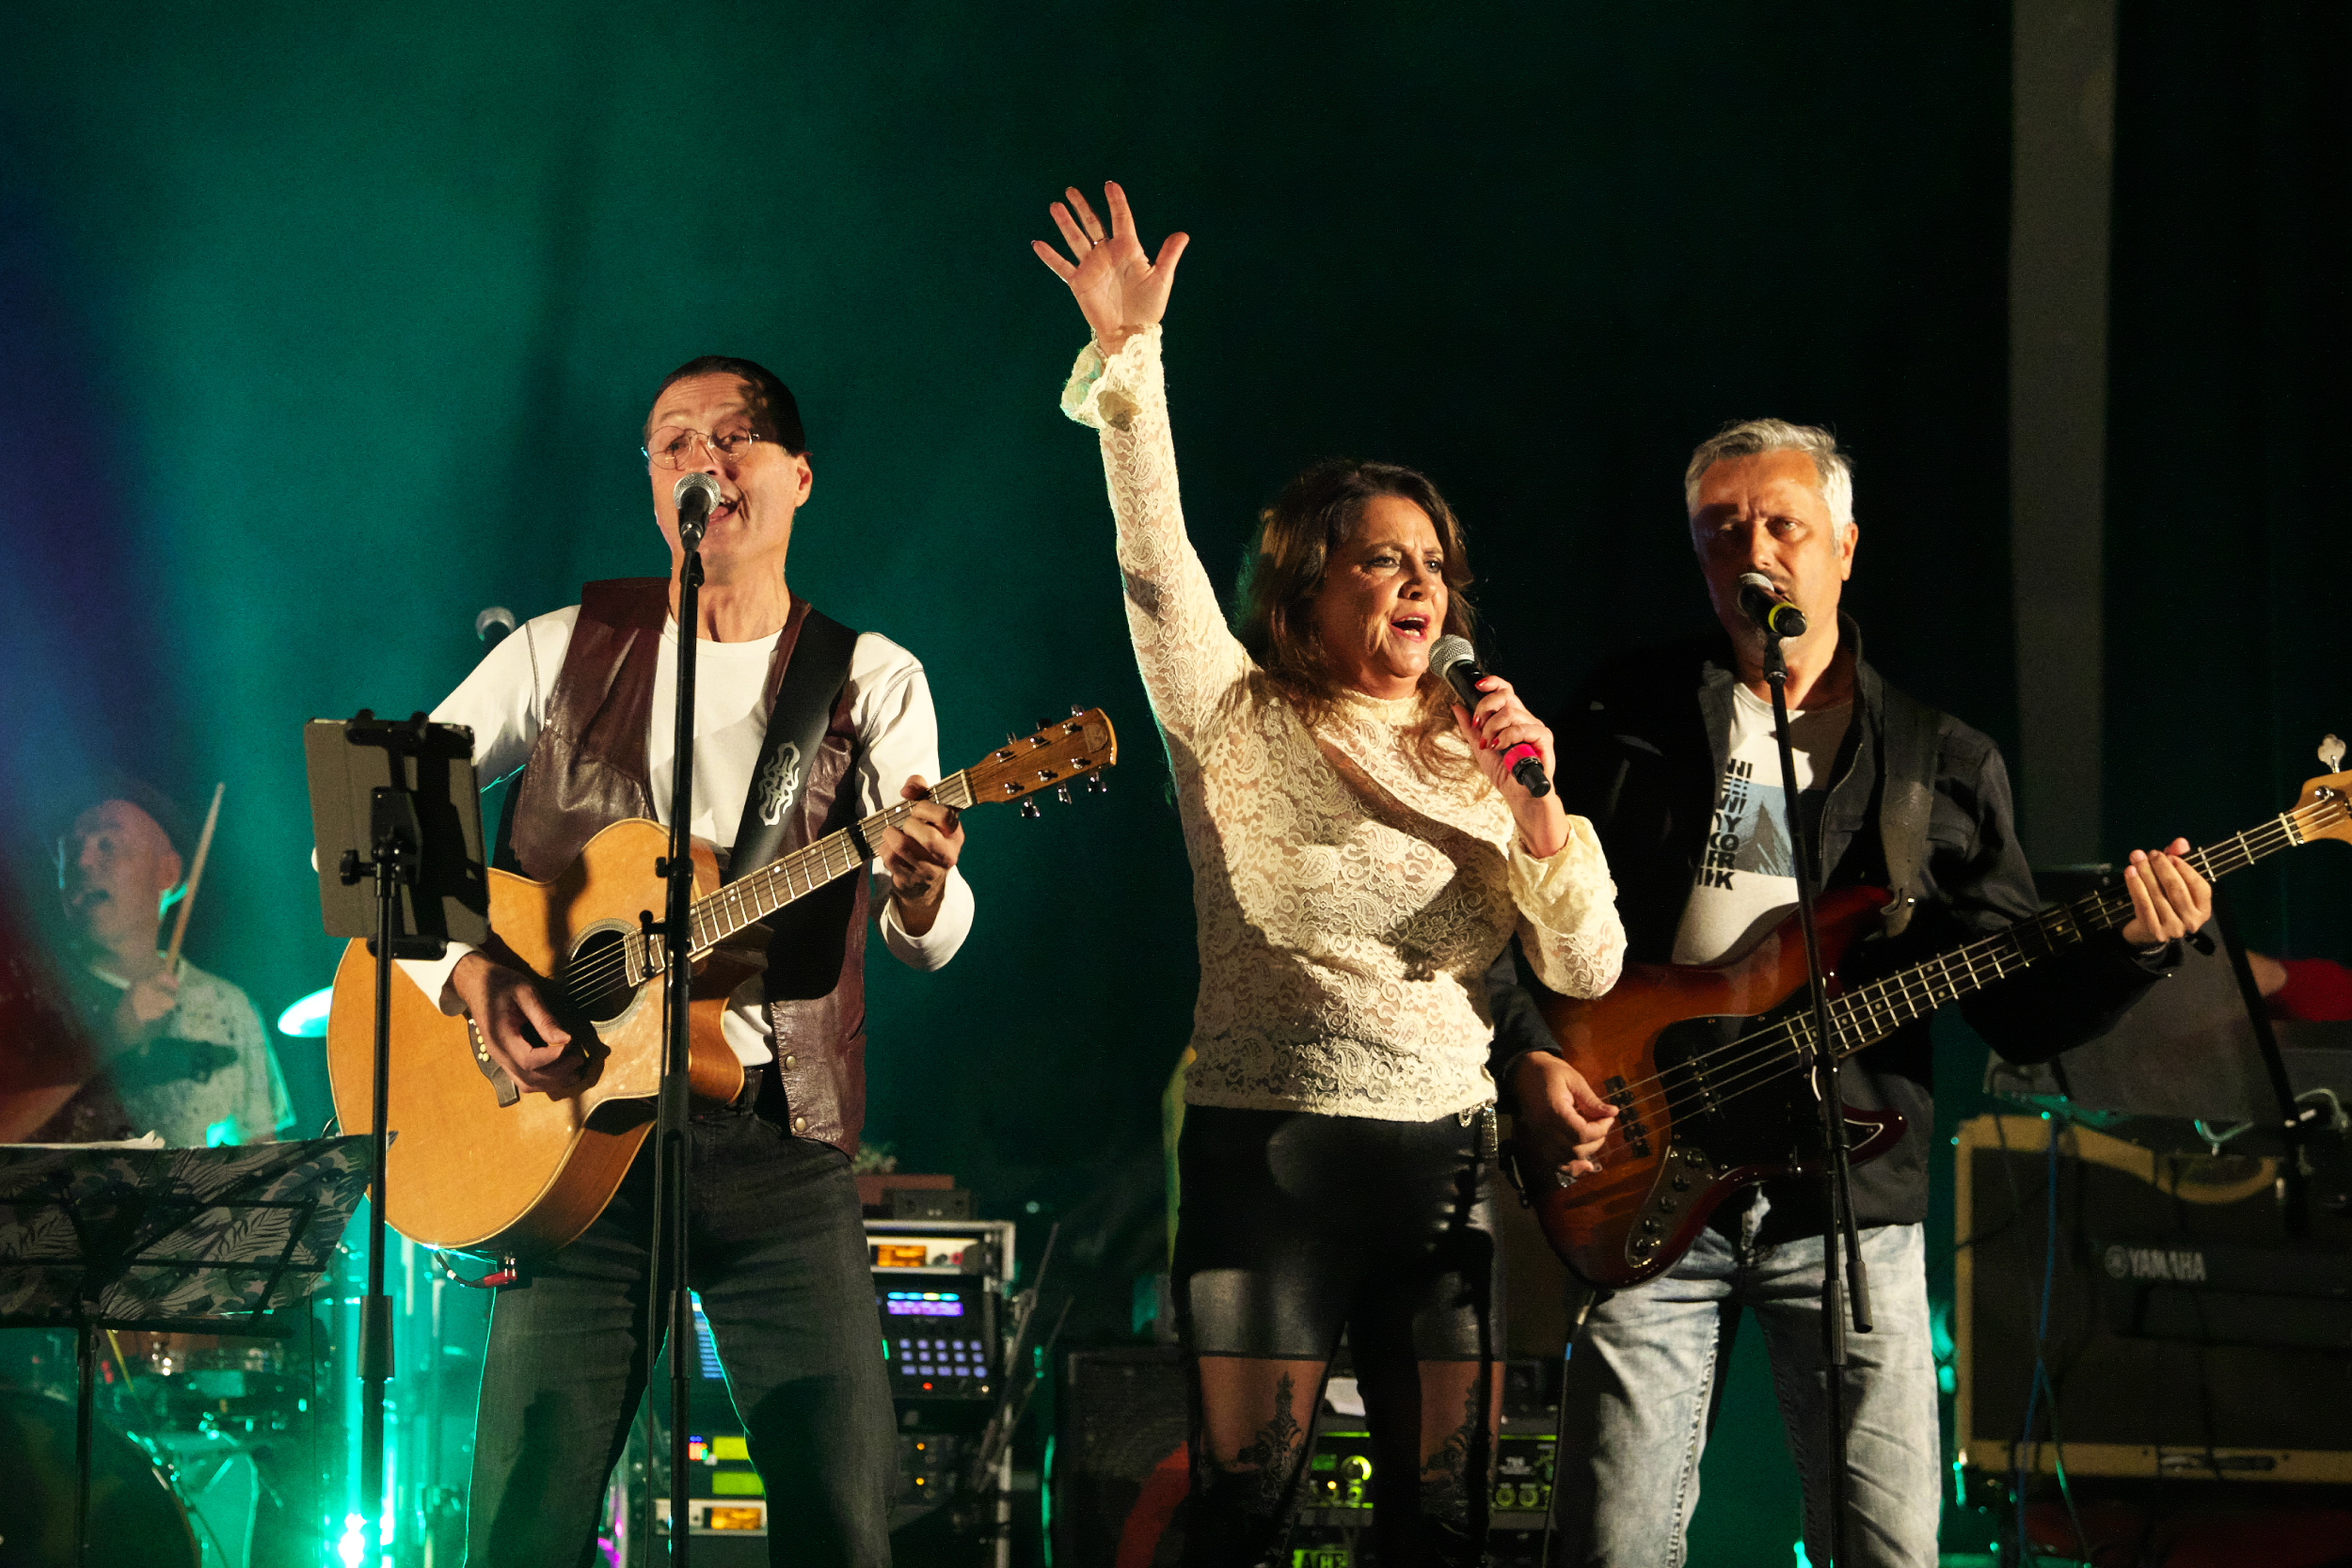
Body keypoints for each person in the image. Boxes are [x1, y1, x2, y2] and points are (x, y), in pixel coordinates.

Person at [1488, 419, 2215, 1567]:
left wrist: (2130, 945)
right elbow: (1504, 914)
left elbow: (2014, 1004)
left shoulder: (1939, 760)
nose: (1753, 549)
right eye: (1721, 529)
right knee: (1615, 1544)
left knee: (1888, 1547)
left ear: (1844, 545)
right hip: (1637, 1169)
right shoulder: (1621, 714)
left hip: (1847, 1197)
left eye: (1782, 523)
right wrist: (1530, 1053)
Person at [1035, 182, 1627, 1567]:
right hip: (1272, 1159)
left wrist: (1537, 811)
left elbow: (1588, 967)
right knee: (1243, 1519)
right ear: (1307, 587)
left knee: (1454, 1531)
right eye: (1381, 561)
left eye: (1434, 565)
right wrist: (1131, 359)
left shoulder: (1487, 753)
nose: (1420, 583)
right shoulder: (1234, 715)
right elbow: (1153, 554)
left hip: (1451, 1169)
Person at [406, 355, 975, 1567]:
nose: (702, 460)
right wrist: (473, 974)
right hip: (571, 1140)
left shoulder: (868, 677)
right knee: (520, 1529)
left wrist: (923, 885)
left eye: (734, 435)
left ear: (798, 476)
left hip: (777, 1141)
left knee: (841, 1525)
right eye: (673, 441)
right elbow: (372, 813)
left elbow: (925, 934)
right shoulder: (564, 648)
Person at [51, 779, 290, 1147]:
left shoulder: (227, 1005)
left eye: (107, 844)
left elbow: (258, 1151)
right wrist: (113, 1039)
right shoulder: (31, 994)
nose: (82, 862)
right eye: (70, 848)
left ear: (168, 873)